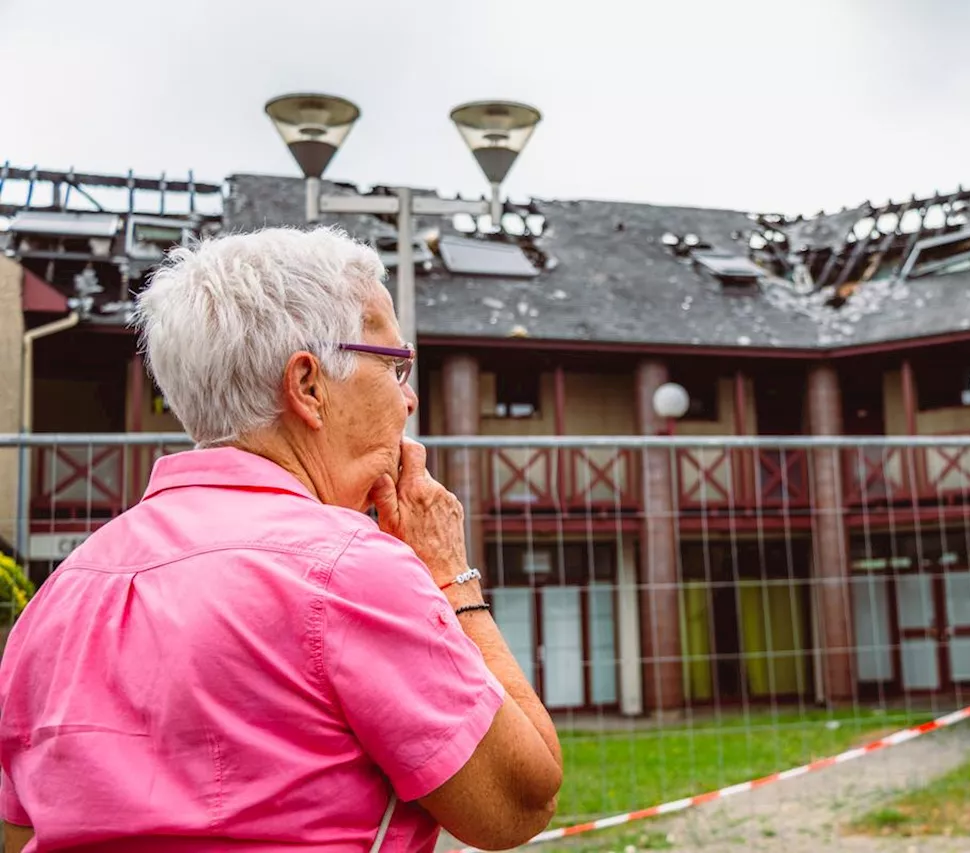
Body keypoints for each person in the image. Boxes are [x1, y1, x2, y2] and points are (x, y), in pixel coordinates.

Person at [0, 226, 562, 852]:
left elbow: (21, 824)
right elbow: (519, 800)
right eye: (395, 364)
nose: (409, 398)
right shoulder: (350, 571)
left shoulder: (65, 590)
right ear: (309, 385)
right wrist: (450, 576)